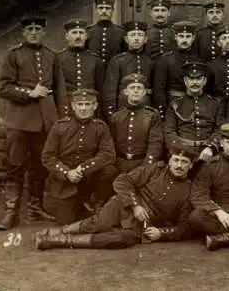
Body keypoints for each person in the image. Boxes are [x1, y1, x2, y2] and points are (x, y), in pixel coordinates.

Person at [35, 142, 196, 250]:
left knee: (119, 239)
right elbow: (122, 181)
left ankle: (60, 241)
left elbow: (184, 227)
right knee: (100, 223)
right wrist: (135, 205)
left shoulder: (189, 190)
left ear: (191, 165)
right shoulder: (155, 169)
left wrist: (162, 233)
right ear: (170, 161)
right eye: (176, 160)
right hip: (125, 204)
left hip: (143, 224)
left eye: (184, 162)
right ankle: (58, 232)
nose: (179, 165)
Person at [0, 16, 65, 230]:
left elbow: (60, 90)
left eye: (38, 29)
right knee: (16, 164)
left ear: (44, 32)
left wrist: (62, 119)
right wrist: (29, 92)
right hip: (19, 119)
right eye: (30, 29)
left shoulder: (52, 56)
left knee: (40, 165)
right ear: (23, 33)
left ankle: (35, 207)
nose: (34, 32)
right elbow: (4, 88)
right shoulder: (14, 55)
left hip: (45, 120)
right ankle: (11, 210)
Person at [41, 89, 118, 224]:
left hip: (88, 177)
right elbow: (47, 157)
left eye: (88, 104)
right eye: (80, 104)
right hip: (65, 180)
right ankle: (77, 203)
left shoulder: (100, 127)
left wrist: (83, 168)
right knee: (66, 220)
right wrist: (66, 173)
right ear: (73, 106)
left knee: (109, 171)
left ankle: (96, 202)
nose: (83, 108)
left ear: (95, 106)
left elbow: (108, 154)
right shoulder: (60, 126)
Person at [164, 62, 223, 162]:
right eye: (191, 79)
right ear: (185, 81)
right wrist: (183, 149)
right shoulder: (175, 105)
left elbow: (220, 129)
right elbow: (169, 132)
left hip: (208, 153)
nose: (195, 83)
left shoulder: (215, 104)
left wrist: (211, 147)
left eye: (198, 79)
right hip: (182, 153)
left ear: (204, 81)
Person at [108, 73, 164, 173]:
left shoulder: (152, 115)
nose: (136, 91)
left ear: (144, 92)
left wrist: (147, 166)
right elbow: (111, 143)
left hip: (142, 164)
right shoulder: (116, 116)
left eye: (139, 88)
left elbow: (155, 144)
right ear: (126, 91)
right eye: (132, 88)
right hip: (119, 164)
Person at [103, 21, 153, 118]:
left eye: (140, 35)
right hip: (122, 109)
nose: (136, 38)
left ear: (145, 39)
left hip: (146, 110)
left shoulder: (150, 62)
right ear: (126, 39)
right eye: (132, 35)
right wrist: (112, 113)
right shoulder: (117, 61)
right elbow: (110, 91)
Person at [57, 19, 105, 117]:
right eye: (74, 33)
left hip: (90, 109)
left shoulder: (95, 59)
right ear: (67, 36)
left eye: (81, 33)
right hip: (67, 108)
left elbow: (100, 88)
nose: (78, 36)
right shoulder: (58, 59)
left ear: (86, 36)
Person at [154, 21, 202, 117]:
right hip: (172, 103)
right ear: (175, 37)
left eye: (188, 36)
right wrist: (163, 109)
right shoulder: (165, 59)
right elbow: (159, 88)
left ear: (193, 38)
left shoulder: (199, 60)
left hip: (194, 104)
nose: (184, 40)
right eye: (181, 36)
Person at [86, 0, 126, 65]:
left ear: (113, 10)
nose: (104, 11)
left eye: (107, 8)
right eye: (100, 8)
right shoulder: (88, 31)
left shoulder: (121, 32)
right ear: (96, 10)